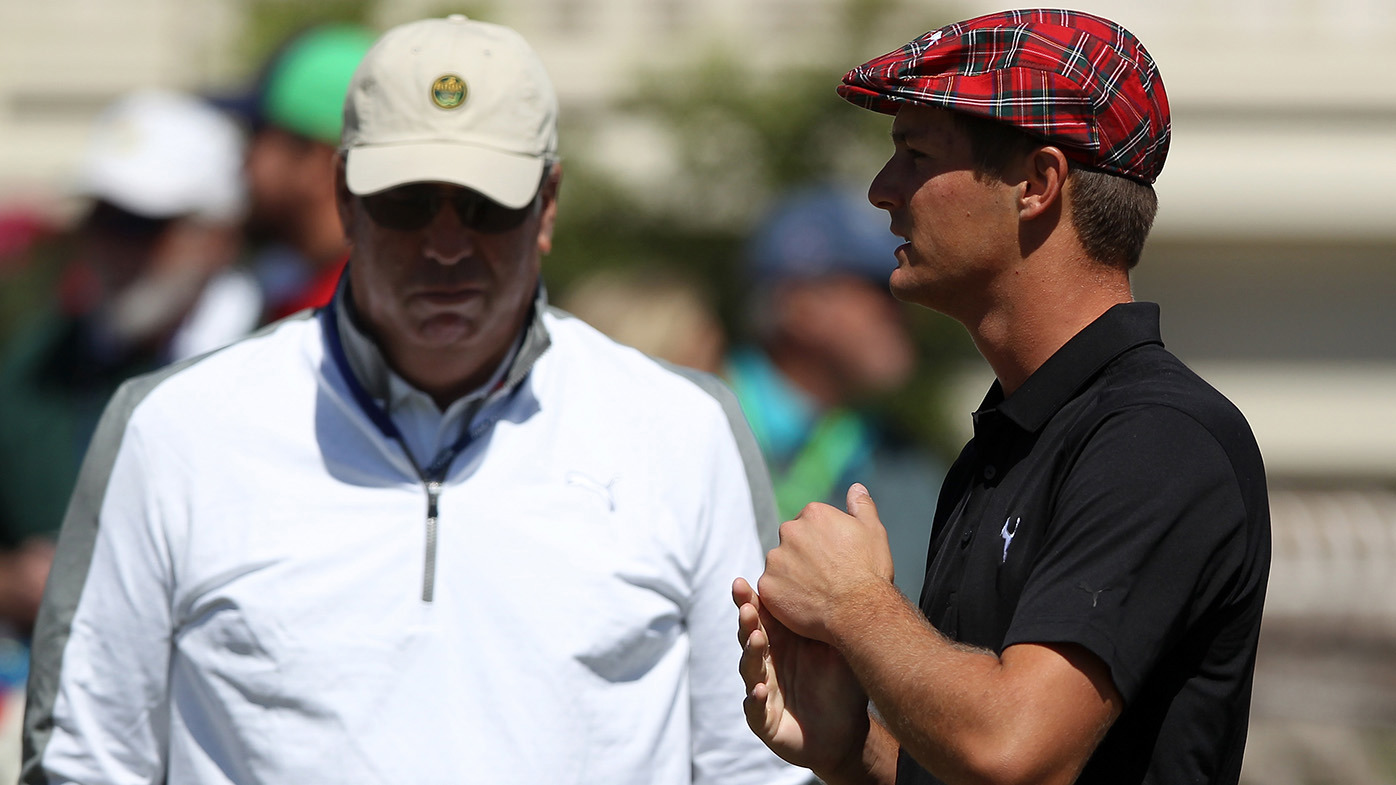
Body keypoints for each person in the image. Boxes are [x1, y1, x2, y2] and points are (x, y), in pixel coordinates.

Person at [23, 16, 810, 785]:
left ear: (548, 205)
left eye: (484, 204)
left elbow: (757, 765)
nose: (444, 243)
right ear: (344, 199)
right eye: (405, 201)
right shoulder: (174, 428)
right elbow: (83, 758)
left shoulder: (683, 431)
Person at [734, 9, 1271, 785]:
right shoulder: (1010, 441)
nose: (883, 192)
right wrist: (849, 745)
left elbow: (1018, 747)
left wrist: (854, 604)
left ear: (1037, 184)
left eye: (915, 154)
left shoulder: (1158, 438)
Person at [726, 185, 941, 600]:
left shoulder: (904, 461)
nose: (903, 301)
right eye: (878, 290)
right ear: (799, 304)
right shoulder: (690, 423)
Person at [221, 23, 376, 322]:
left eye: (256, 134)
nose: (243, 160)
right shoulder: (310, 293)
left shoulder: (342, 320)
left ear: (317, 164)